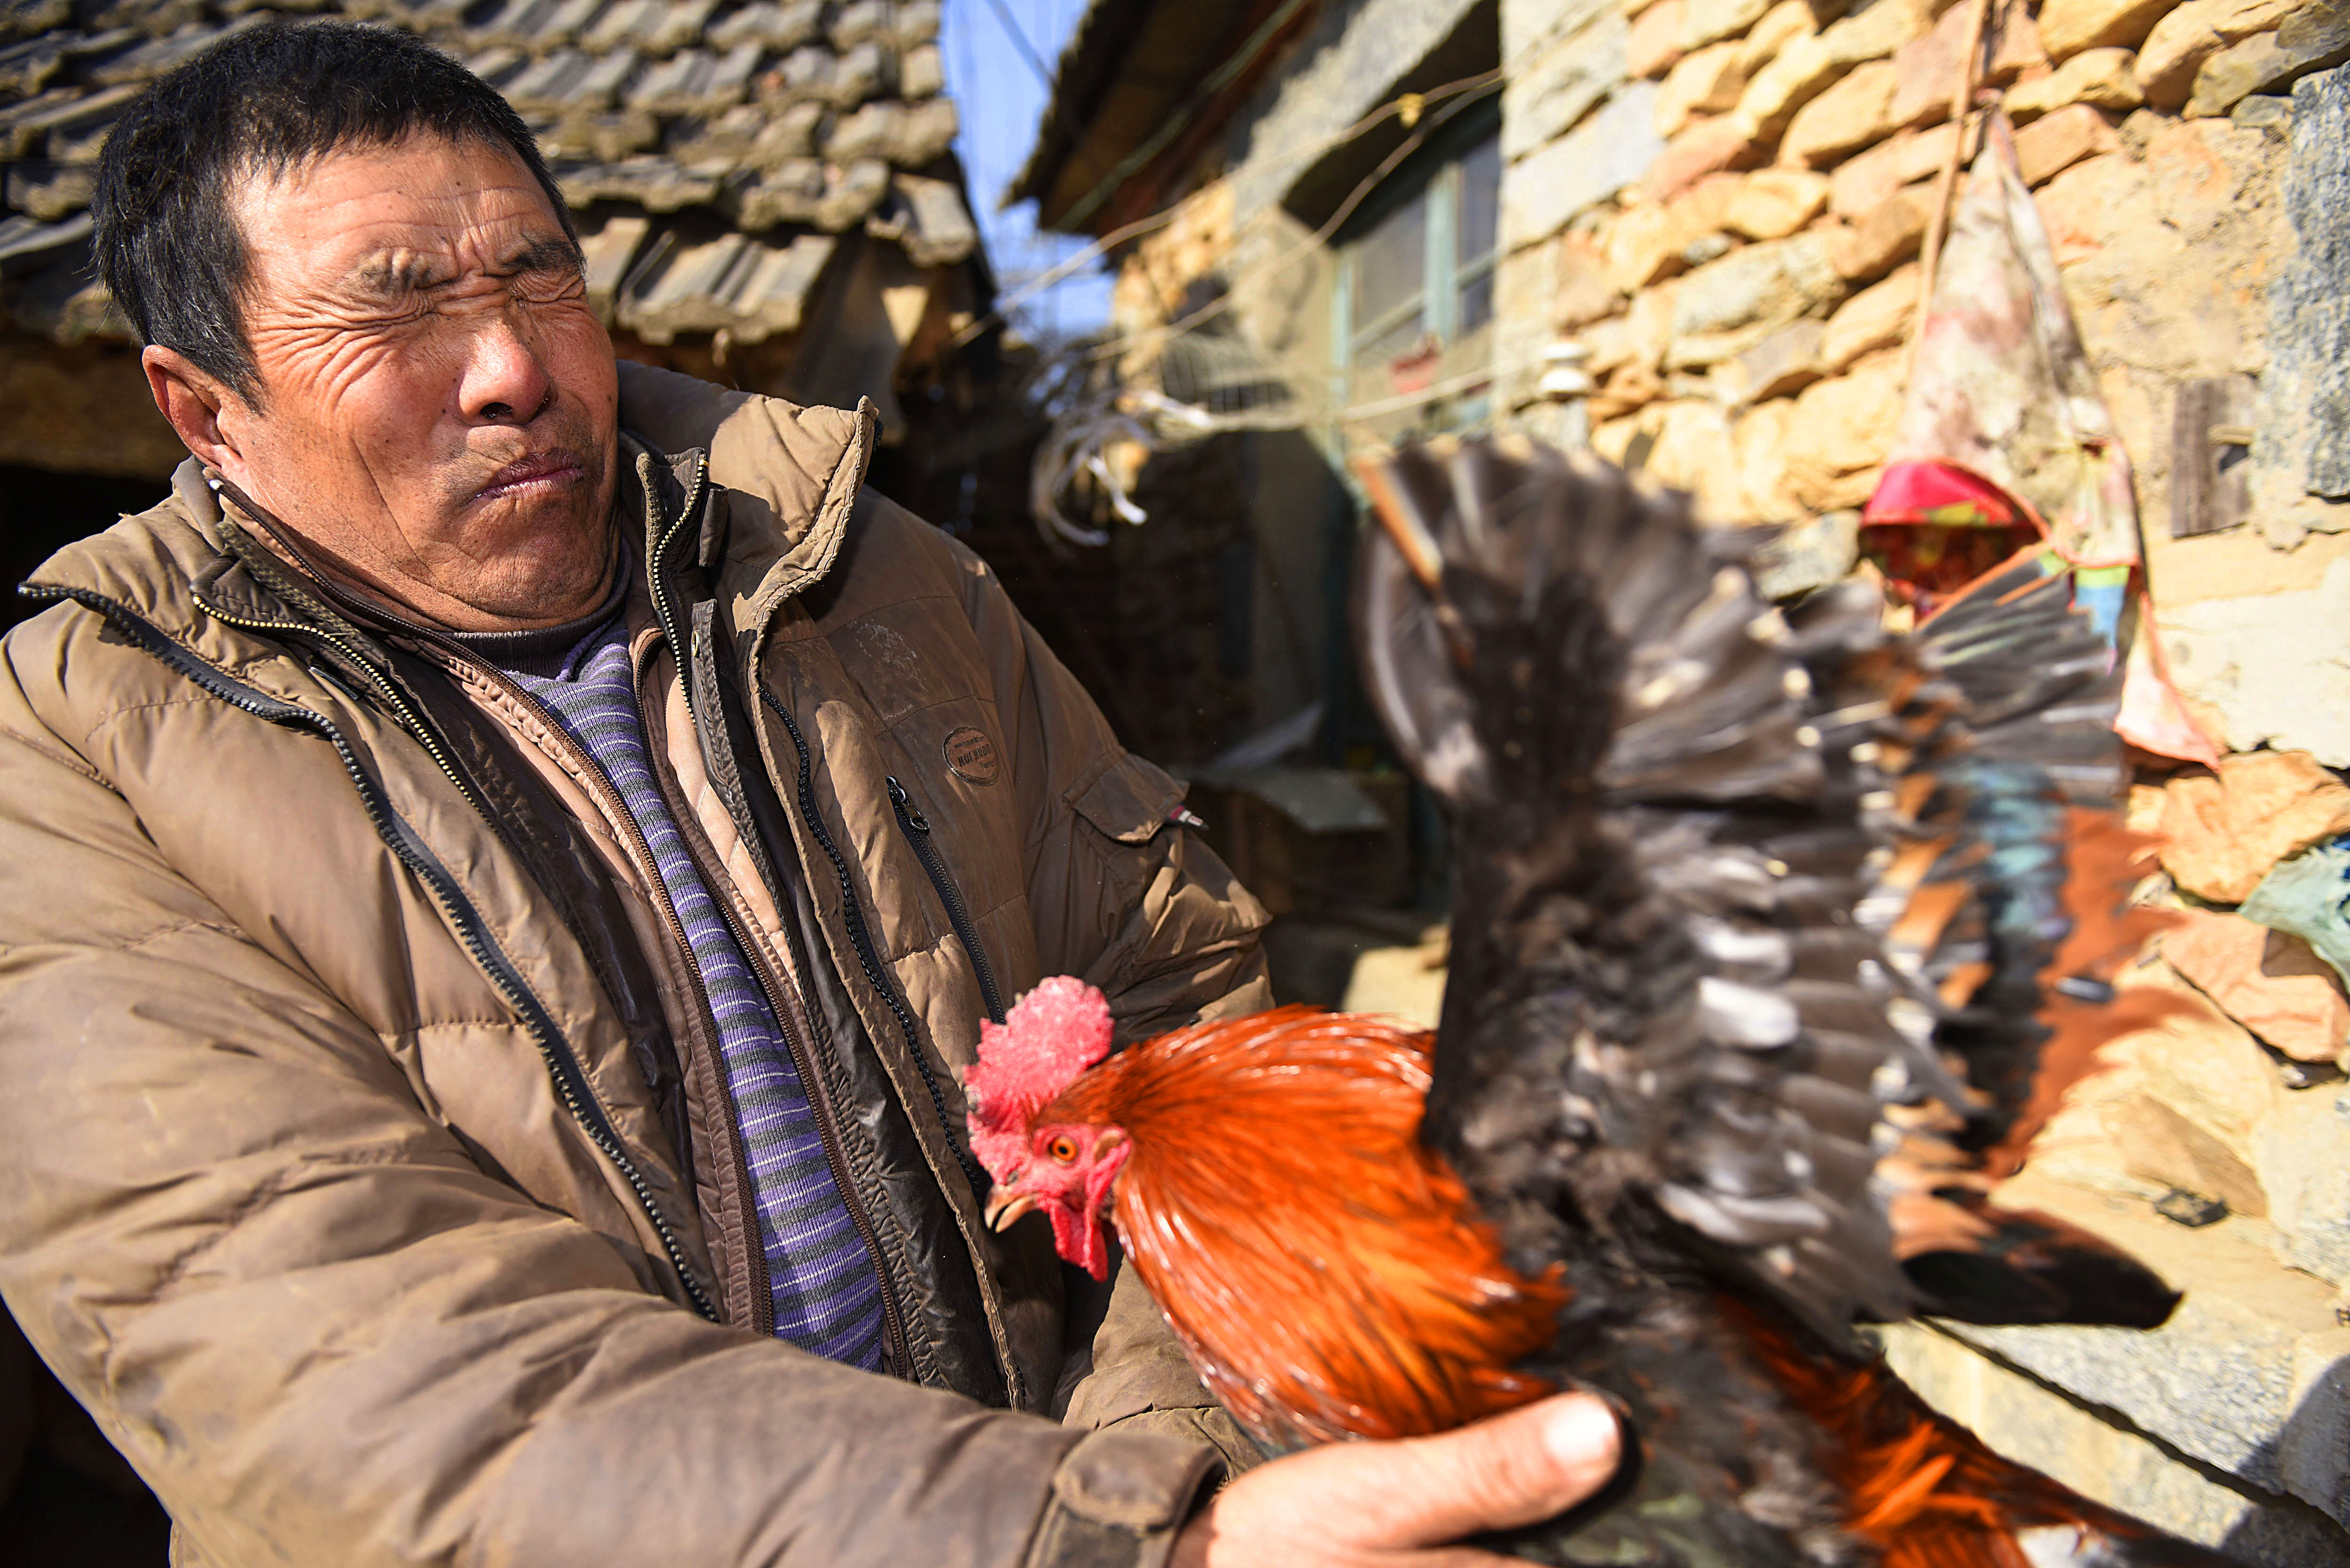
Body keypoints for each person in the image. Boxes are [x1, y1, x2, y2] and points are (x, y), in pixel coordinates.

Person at [0, 20, 1621, 1567]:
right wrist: (1090, 1539)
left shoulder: (866, 574)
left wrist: (1146, 1463)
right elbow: (332, 1366)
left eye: (537, 275)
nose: (511, 365)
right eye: (397, 308)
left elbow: (1172, 990)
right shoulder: (76, 752)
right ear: (204, 409)